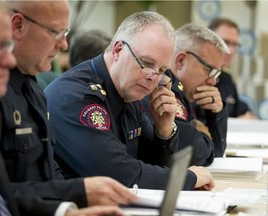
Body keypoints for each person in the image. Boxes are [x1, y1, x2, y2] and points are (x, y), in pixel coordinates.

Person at [0, 1, 137, 215]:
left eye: (66, 32)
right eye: (56, 32)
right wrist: (77, 195)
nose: (64, 44)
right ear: (18, 26)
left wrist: (70, 207)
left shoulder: (34, 90)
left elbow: (47, 174)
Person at [45, 11, 214, 191]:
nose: (153, 78)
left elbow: (154, 164)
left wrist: (164, 130)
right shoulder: (74, 97)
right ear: (118, 50)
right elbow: (119, 175)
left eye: (162, 70)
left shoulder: (129, 90)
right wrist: (186, 178)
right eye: (147, 63)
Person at [143, 23, 229, 166]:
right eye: (209, 70)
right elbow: (194, 154)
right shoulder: (164, 89)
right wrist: (205, 135)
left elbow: (217, 153)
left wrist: (216, 113)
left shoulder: (188, 94)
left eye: (217, 74)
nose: (213, 81)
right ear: (181, 61)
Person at [205, 18, 257, 119]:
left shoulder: (226, 78)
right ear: (208, 41)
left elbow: (239, 107)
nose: (231, 50)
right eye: (225, 42)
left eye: (235, 44)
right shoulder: (195, 77)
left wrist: (248, 115)